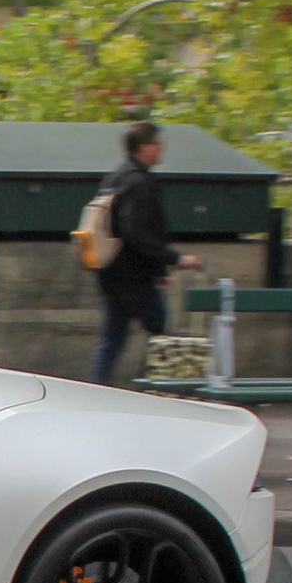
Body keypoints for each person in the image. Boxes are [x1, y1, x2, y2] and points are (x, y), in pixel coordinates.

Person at [89, 120, 205, 385]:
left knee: (113, 337)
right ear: (145, 148)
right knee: (159, 333)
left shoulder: (115, 178)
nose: (162, 150)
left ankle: (96, 387)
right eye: (158, 144)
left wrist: (160, 270)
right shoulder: (140, 184)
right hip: (134, 276)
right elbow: (138, 233)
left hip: (110, 272)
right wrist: (174, 260)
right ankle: (150, 387)